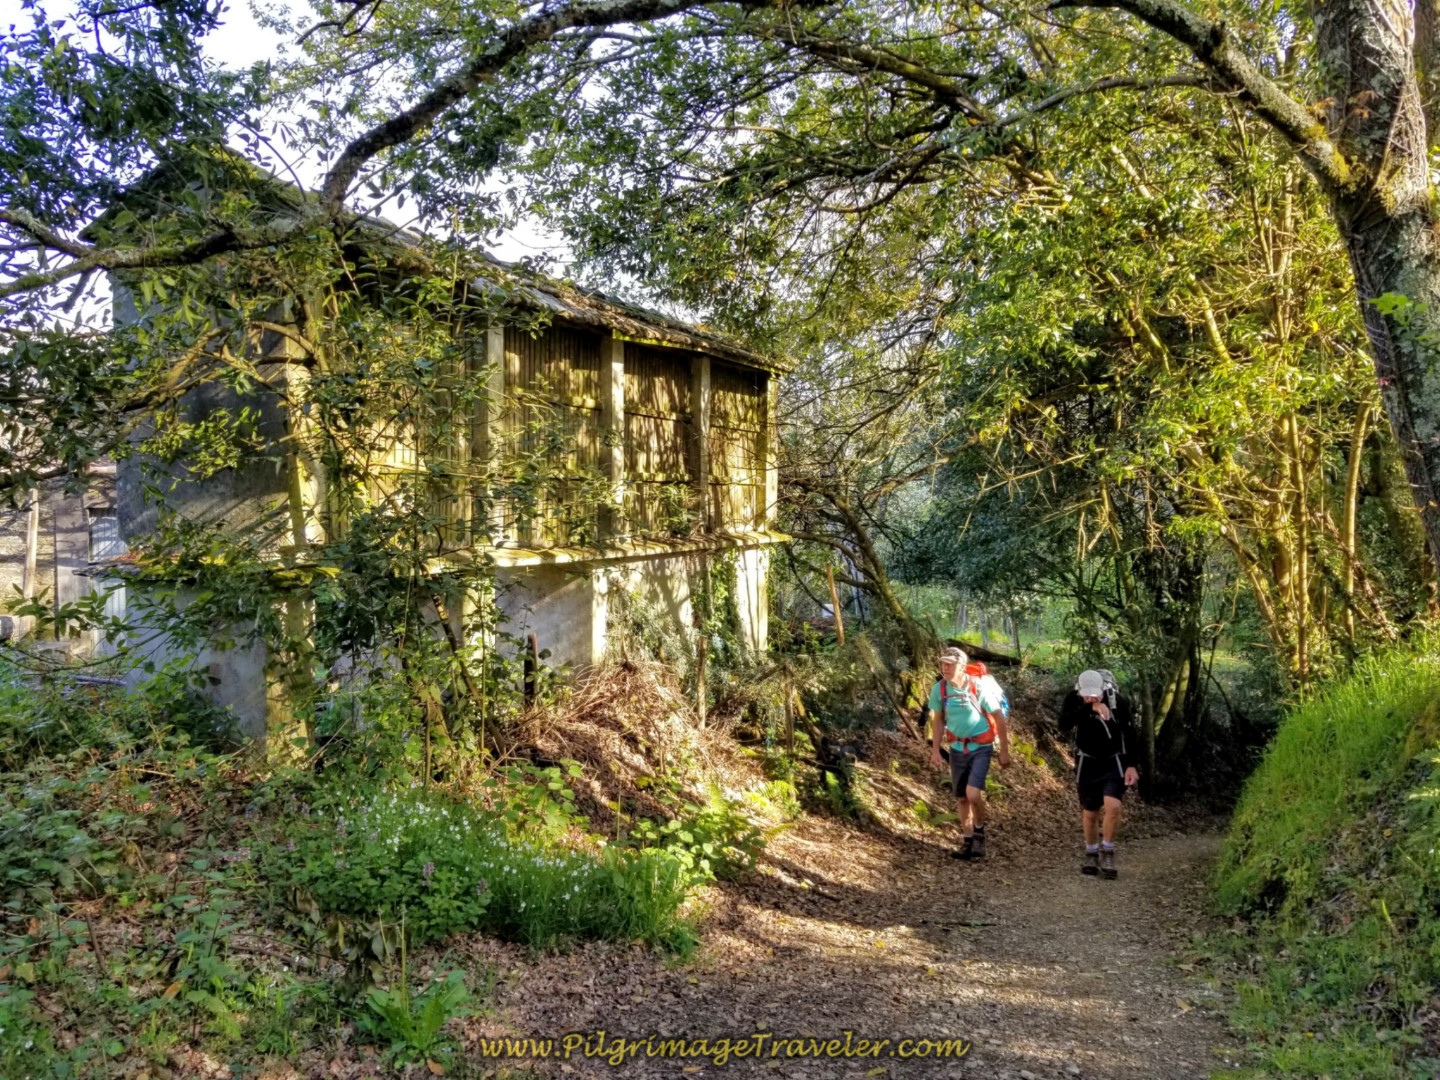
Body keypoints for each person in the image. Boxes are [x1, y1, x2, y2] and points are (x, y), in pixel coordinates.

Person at [928, 646, 1010, 860]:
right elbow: (938, 720)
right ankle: (967, 841)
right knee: (962, 797)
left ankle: (979, 832)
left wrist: (1004, 751)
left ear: (962, 666)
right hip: (956, 749)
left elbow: (998, 717)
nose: (945, 667)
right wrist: (935, 750)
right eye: (943, 663)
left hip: (981, 747)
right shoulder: (940, 689)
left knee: (973, 794)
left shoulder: (977, 686)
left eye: (950, 664)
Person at [1058, 669, 1139, 879]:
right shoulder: (1074, 699)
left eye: (1095, 695)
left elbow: (1129, 733)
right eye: (1087, 695)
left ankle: (1108, 851)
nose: (1091, 698)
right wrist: (1089, 708)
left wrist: (1131, 765)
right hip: (1087, 761)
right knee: (1090, 812)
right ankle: (1091, 852)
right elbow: (1063, 725)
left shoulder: (1117, 701)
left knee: (1113, 806)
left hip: (1114, 760)